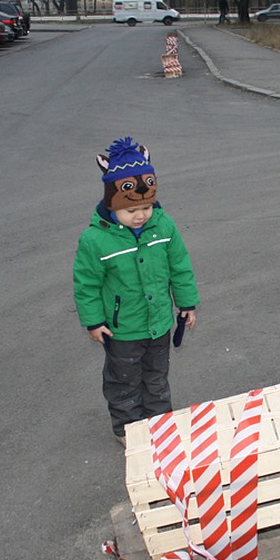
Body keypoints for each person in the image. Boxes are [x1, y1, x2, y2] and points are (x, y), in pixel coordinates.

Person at [73, 137, 199, 446]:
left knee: (156, 377)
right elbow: (86, 284)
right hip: (123, 330)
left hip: (158, 324)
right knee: (124, 381)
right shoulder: (95, 241)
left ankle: (160, 424)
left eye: (146, 207)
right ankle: (128, 427)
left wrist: (186, 303)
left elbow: (179, 265)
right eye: (131, 210)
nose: (140, 215)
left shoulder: (163, 226)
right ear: (112, 204)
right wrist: (94, 321)